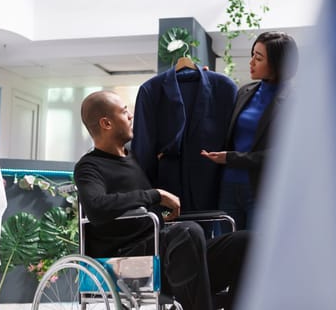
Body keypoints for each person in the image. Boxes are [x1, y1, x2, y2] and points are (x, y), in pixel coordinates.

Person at [74, 90, 249, 310]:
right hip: (128, 261)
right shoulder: (89, 167)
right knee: (186, 233)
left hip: (165, 253)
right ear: (106, 123)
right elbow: (96, 207)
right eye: (125, 112)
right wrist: (155, 195)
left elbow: (151, 211)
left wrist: (162, 207)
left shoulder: (133, 159)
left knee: (248, 242)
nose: (130, 117)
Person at [201, 31, 299, 230]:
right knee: (227, 250)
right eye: (252, 55)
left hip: (263, 192)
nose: (251, 62)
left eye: (259, 57)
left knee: (255, 254)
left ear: (278, 64)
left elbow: (281, 156)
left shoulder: (295, 101)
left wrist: (232, 158)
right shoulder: (245, 91)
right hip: (228, 188)